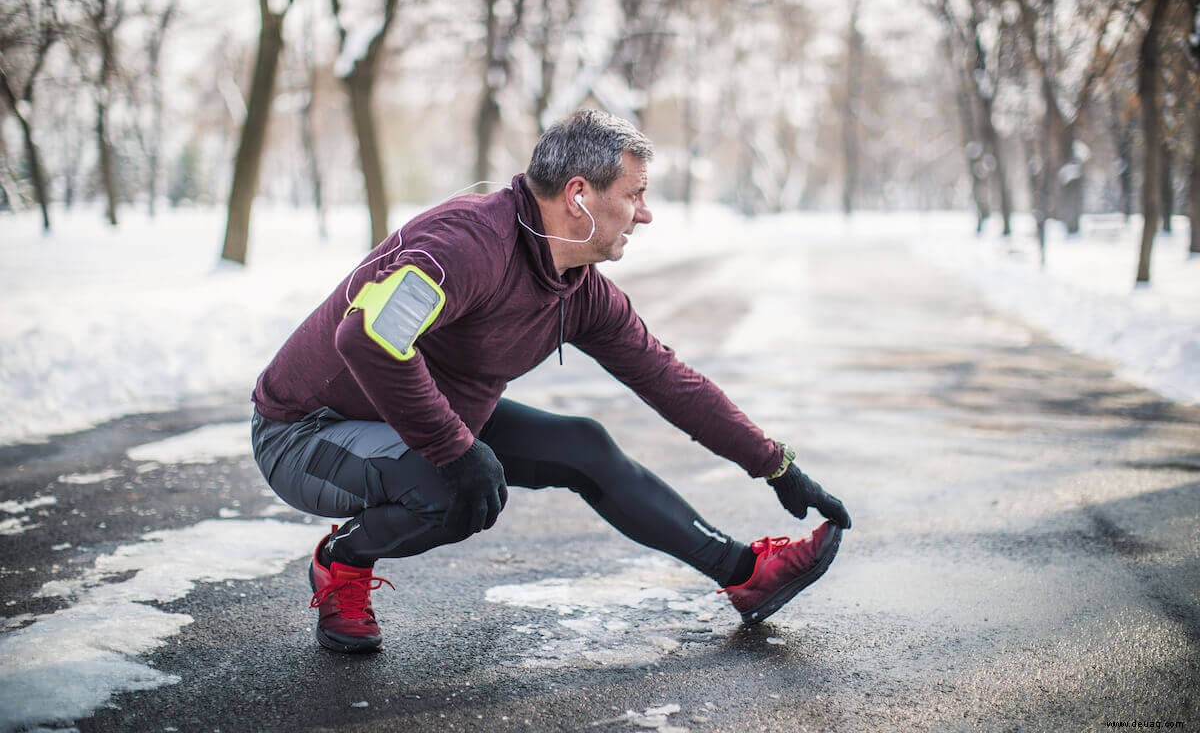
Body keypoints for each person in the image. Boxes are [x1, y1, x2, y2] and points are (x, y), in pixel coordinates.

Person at [250, 109, 852, 654]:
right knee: (454, 486)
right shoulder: (464, 245)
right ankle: (343, 561)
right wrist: (455, 448)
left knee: (584, 446)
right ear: (579, 195)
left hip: (411, 419)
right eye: (635, 194)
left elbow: (671, 382)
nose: (645, 213)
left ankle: (744, 574)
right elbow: (366, 336)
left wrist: (776, 464)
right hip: (305, 434)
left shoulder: (580, 289)